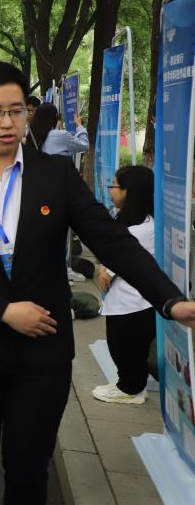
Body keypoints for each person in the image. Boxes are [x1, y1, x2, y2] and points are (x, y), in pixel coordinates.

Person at [0, 61, 195, 505]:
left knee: (28, 467)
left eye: (16, 110)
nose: (7, 122)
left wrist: (170, 300)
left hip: (41, 352)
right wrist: (2, 311)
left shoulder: (54, 175)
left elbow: (111, 241)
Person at [94, 165, 158, 405]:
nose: (110, 190)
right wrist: (105, 268)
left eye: (115, 185)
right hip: (125, 302)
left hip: (134, 304)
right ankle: (129, 385)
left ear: (130, 192)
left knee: (126, 348)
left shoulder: (142, 230)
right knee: (121, 346)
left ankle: (131, 389)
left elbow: (115, 261)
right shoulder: (134, 223)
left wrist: (105, 269)